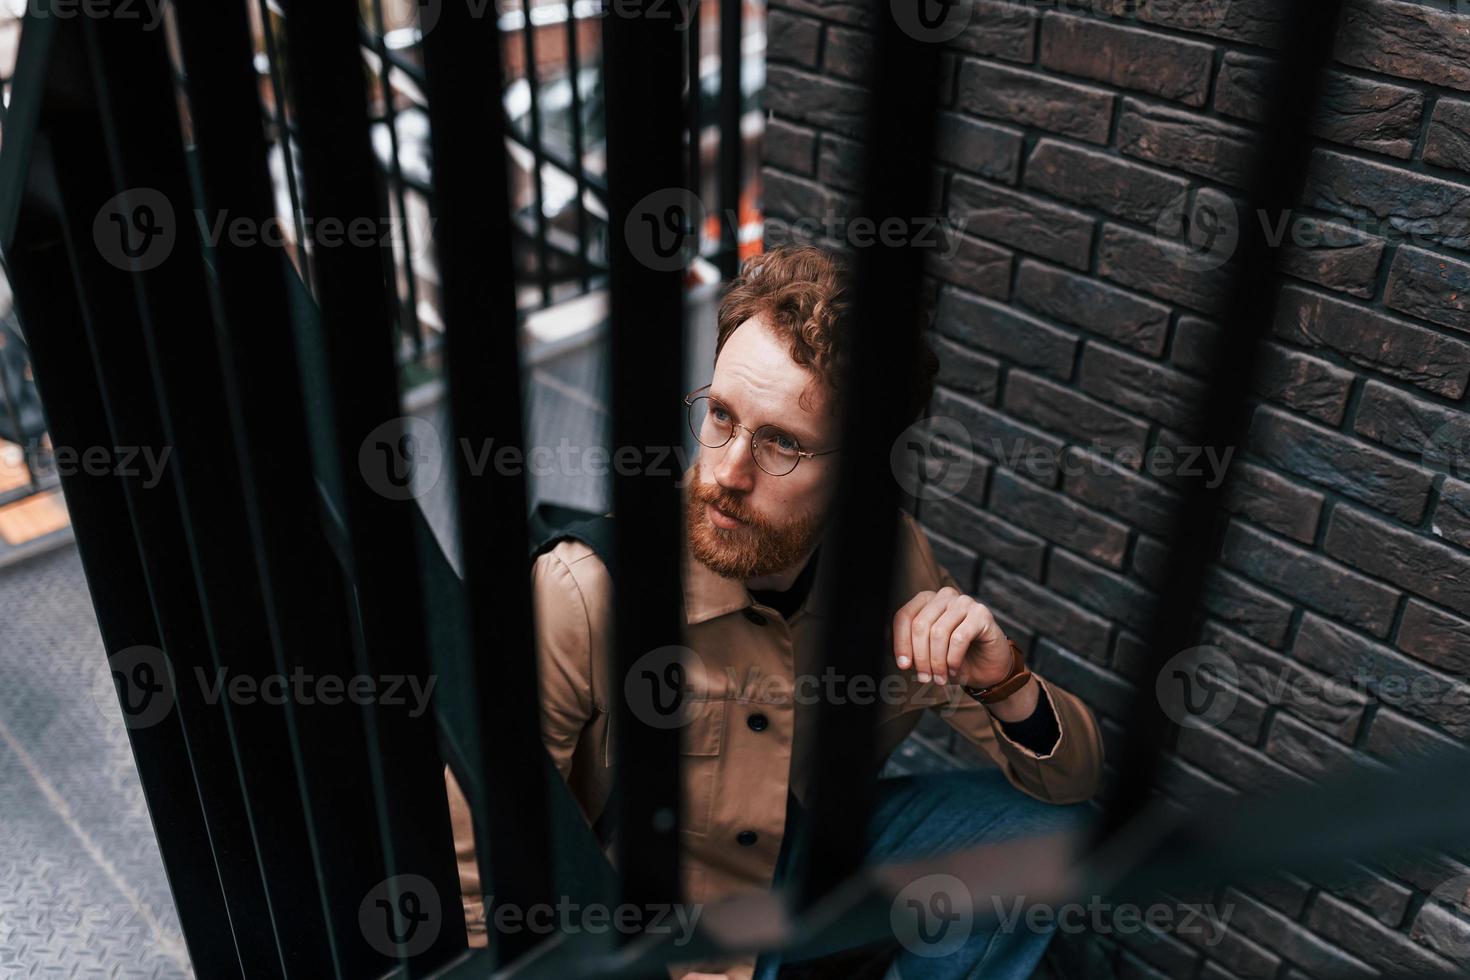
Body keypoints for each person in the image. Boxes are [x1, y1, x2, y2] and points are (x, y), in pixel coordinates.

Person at [446, 244, 1104, 979]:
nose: (726, 472)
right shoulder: (583, 593)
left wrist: (1003, 680)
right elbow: (484, 871)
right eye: (720, 415)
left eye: (782, 444)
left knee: (1050, 837)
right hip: (646, 925)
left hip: (800, 864)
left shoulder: (888, 565)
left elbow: (1070, 783)